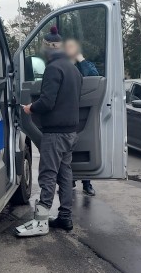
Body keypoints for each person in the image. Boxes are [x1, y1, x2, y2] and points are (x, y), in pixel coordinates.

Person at [14, 26, 83, 237]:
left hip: (55, 134)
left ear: (48, 48)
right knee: (65, 175)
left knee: (47, 175)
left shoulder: (53, 69)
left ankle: (41, 221)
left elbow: (47, 101)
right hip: (71, 132)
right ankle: (65, 217)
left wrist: (30, 108)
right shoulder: (73, 69)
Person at [65, 38, 98, 196]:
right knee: (68, 149)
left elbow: (93, 76)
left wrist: (81, 60)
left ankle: (86, 182)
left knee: (84, 147)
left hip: (85, 112)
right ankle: (69, 179)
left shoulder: (86, 64)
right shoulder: (63, 65)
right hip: (68, 112)